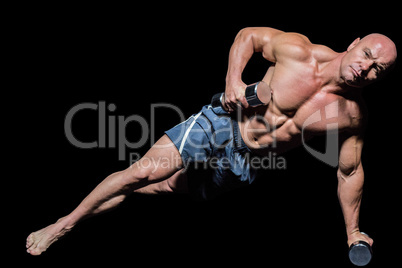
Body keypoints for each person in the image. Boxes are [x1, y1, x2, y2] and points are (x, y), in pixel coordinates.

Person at [26, 27, 397, 256]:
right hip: (222, 123)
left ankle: (103, 196)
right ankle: (64, 224)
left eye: (377, 69)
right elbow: (247, 36)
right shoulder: (298, 51)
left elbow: (349, 172)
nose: (365, 69)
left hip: (248, 162)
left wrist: (352, 231)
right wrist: (234, 82)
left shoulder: (352, 116)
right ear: (355, 42)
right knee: (139, 174)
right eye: (367, 55)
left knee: (167, 188)